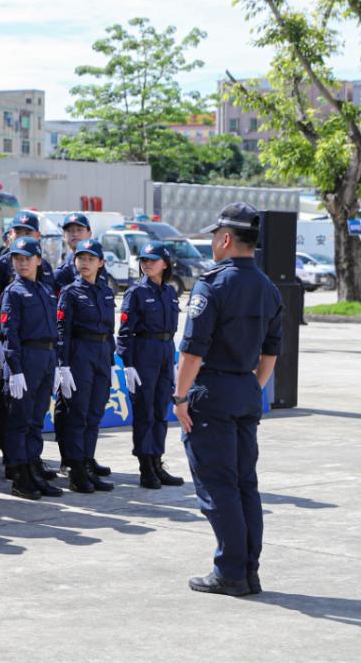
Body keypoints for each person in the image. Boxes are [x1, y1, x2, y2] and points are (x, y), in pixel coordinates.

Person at [175, 203, 282, 596]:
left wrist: (180, 396)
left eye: (213, 238)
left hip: (213, 392)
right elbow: (272, 351)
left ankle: (231, 572)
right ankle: (248, 570)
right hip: (245, 390)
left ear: (224, 239)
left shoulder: (213, 284)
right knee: (244, 484)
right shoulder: (268, 287)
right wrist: (255, 384)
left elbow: (192, 352)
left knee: (218, 485)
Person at [0, 235, 62, 500]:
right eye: (17, 259)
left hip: (46, 358)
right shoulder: (13, 292)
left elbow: (53, 330)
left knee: (36, 420)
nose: (22, 264)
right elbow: (8, 333)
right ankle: (20, 475)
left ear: (38, 260)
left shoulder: (45, 290)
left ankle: (33, 468)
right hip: (26, 359)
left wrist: (57, 363)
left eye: (27, 259)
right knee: (20, 421)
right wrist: (15, 369)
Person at [117, 240, 184, 489]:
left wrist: (174, 361)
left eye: (152, 260)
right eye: (144, 261)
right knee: (145, 411)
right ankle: (145, 467)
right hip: (144, 352)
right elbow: (124, 332)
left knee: (160, 411)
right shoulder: (136, 293)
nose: (147, 265)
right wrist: (128, 364)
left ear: (165, 264)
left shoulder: (169, 292)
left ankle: (157, 461)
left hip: (166, 352)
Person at [54, 238, 117, 494]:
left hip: (101, 353)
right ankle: (76, 469)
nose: (85, 263)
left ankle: (88, 463)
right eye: (81, 258)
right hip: (80, 353)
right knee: (78, 413)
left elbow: (110, 329)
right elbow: (62, 331)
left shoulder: (106, 290)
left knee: (94, 413)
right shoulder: (70, 292)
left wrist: (111, 361)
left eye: (91, 258)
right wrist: (63, 365)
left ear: (101, 263)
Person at [53, 212, 93, 291]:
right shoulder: (62, 272)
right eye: (69, 230)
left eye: (79, 230)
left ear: (89, 234)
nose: (75, 234)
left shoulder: (98, 266)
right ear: (64, 235)